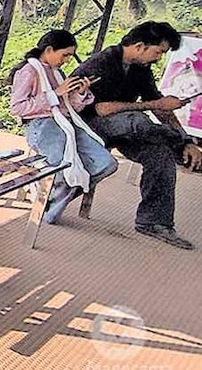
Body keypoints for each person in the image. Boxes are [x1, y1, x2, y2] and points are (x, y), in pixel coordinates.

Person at [72, 21, 202, 250]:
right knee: (137, 120)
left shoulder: (141, 69)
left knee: (159, 154)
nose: (159, 58)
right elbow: (102, 109)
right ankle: (179, 147)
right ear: (141, 46)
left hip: (124, 129)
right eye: (159, 52)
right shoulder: (101, 64)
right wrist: (154, 104)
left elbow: (161, 108)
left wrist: (186, 139)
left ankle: (153, 222)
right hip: (87, 128)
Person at [9, 30, 118, 224]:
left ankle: (51, 196)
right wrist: (55, 93)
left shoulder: (57, 72)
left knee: (106, 163)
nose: (66, 60)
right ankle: (47, 207)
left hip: (65, 124)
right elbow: (17, 108)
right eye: (65, 54)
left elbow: (67, 107)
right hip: (41, 126)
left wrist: (81, 93)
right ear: (49, 50)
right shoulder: (29, 71)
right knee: (66, 165)